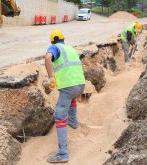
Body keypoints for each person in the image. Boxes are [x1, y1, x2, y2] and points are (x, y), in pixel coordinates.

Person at [44, 30, 86, 163]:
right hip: (81, 85)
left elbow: (47, 58)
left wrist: (51, 78)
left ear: (52, 41)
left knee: (59, 116)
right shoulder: (70, 48)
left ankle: (63, 154)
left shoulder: (55, 47)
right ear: (63, 39)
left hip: (69, 87)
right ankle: (73, 122)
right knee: (72, 98)